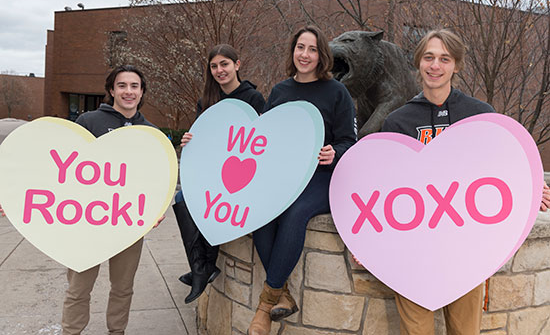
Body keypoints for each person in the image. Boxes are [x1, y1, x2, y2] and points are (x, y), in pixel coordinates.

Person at [382, 29, 550, 335]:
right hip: (413, 254)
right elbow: (384, 186)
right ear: (418, 62)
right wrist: (367, 238)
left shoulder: (479, 115)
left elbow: (501, 163)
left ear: (456, 66)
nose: (435, 65)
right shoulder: (397, 121)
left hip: (465, 253)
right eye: (429, 57)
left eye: (444, 59)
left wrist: (530, 183)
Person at [248, 26, 356, 335]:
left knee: (295, 214)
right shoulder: (281, 91)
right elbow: (264, 137)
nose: (304, 55)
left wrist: (333, 152)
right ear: (292, 51)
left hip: (322, 178)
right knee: (262, 215)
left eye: (311, 49)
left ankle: (265, 308)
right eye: (300, 48)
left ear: (321, 55)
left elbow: (350, 140)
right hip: (286, 175)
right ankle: (282, 294)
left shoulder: (337, 92)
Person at [62, 65, 164, 335]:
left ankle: (116, 331)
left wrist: (157, 208)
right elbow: (65, 169)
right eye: (122, 85)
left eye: (134, 86)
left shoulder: (151, 132)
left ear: (142, 92)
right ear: (111, 90)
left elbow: (156, 178)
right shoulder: (89, 122)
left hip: (128, 223)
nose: (128, 91)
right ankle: (71, 331)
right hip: (87, 223)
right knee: (78, 288)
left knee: (123, 288)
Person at [173, 44, 265, 304]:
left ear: (237, 64)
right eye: (214, 66)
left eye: (224, 64)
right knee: (181, 200)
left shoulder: (253, 99)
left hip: (241, 174)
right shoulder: (207, 100)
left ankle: (204, 267)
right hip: (213, 170)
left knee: (211, 203)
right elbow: (204, 138)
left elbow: (260, 141)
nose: (219, 70)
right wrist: (190, 139)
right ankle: (201, 266)